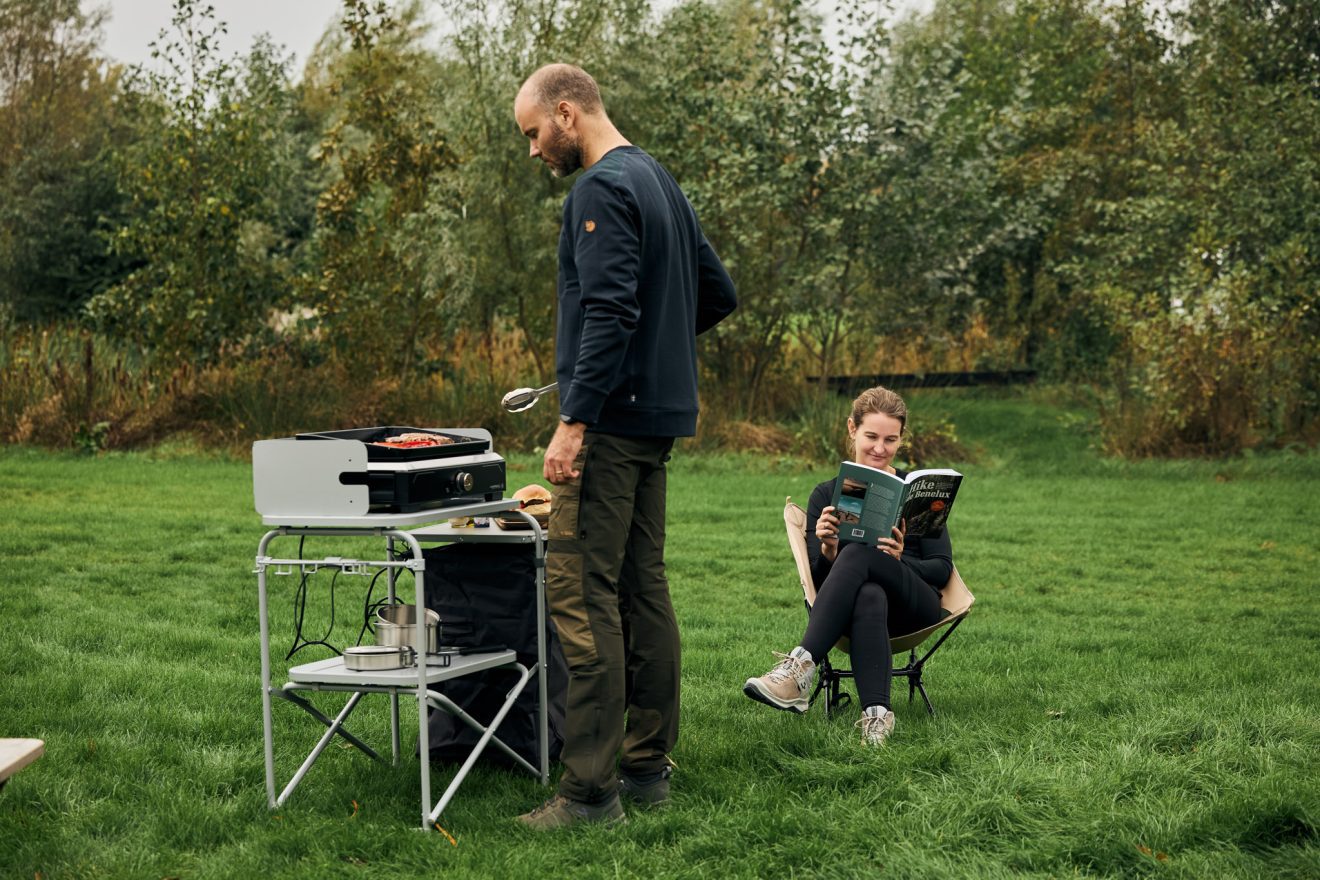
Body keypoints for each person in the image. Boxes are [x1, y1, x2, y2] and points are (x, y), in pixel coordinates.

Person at [512, 63, 737, 829]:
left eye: (535, 133)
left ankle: (588, 793)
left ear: (567, 114)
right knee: (644, 589)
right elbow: (715, 293)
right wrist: (655, 359)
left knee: (582, 593)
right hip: (657, 424)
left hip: (608, 428)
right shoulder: (661, 183)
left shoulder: (601, 189)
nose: (535, 151)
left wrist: (574, 420)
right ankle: (647, 772)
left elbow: (608, 309)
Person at [742, 386, 951, 745]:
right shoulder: (826, 495)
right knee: (868, 591)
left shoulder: (916, 492)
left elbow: (942, 568)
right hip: (856, 612)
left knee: (858, 557)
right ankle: (877, 718)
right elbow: (819, 584)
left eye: (891, 439)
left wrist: (901, 562)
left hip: (914, 606)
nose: (880, 449)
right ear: (852, 429)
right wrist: (827, 549)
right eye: (871, 436)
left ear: (901, 440)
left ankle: (800, 668)